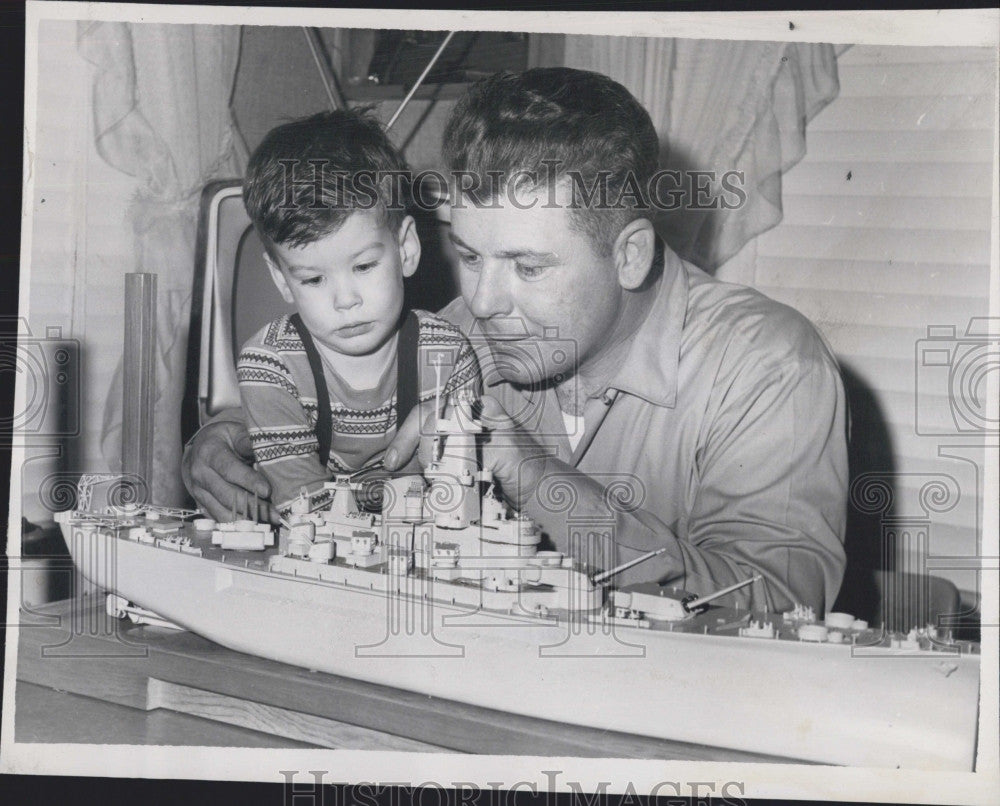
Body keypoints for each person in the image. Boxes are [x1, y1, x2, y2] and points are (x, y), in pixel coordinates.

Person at [184, 69, 847, 614]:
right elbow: (340, 395)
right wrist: (226, 434)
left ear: (630, 255)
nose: (482, 301)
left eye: (529, 268)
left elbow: (779, 606)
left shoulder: (770, 368)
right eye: (469, 257)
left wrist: (531, 472)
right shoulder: (469, 332)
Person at [232, 108, 479, 517]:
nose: (345, 301)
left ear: (406, 250)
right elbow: (303, 506)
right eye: (313, 280)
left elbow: (457, 494)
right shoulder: (269, 366)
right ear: (281, 279)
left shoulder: (448, 354)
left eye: (364, 267)